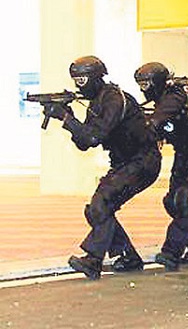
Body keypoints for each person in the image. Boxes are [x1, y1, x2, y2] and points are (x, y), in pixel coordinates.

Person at [48, 56, 161, 280]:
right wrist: (68, 118)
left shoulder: (113, 99)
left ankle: (93, 260)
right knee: (97, 209)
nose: (79, 85)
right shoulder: (97, 102)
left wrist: (65, 118)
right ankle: (128, 257)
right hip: (126, 163)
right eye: (75, 80)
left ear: (96, 77)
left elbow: (93, 137)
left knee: (101, 204)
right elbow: (84, 143)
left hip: (142, 161)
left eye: (82, 79)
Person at [134, 62, 188, 271]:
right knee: (177, 201)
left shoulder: (173, 97)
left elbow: (155, 124)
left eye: (146, 84)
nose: (143, 89)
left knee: (184, 199)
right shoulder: (164, 98)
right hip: (186, 154)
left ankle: (171, 251)